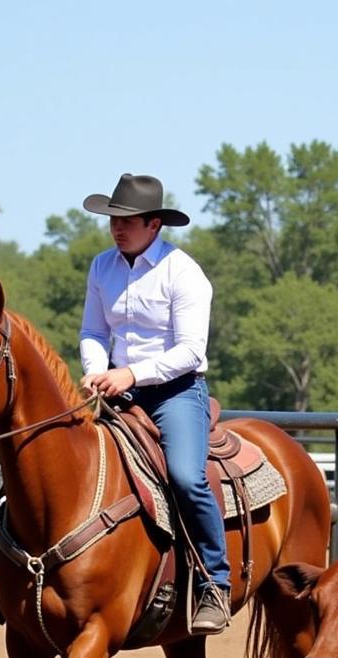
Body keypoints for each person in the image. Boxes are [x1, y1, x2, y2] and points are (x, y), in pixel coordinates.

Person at [78, 173, 231, 634]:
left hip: (176, 391)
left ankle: (214, 583)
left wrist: (129, 373)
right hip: (113, 387)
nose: (117, 229)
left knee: (186, 477)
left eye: (128, 221)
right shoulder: (102, 266)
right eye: (113, 221)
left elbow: (190, 352)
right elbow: (93, 331)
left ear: (154, 225)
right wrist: (94, 369)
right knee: (59, 453)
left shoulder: (183, 273)